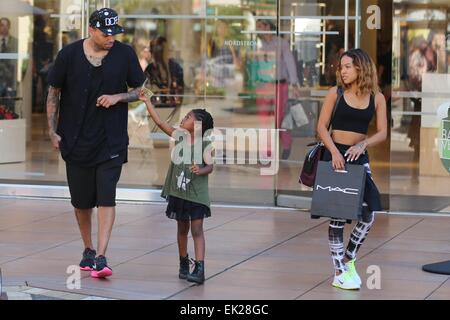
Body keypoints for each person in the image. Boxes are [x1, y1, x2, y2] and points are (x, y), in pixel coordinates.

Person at [46, 8, 145, 278]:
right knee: (81, 202)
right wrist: (52, 131)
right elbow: (54, 92)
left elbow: (140, 90)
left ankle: (101, 256)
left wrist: (118, 97)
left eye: (115, 33)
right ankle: (88, 250)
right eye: (105, 33)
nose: (111, 38)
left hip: (110, 141)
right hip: (75, 140)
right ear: (91, 30)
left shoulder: (124, 54)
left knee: (106, 198)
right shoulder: (69, 54)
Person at [316, 48, 387, 290]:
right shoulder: (335, 93)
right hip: (335, 158)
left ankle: (348, 259)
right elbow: (322, 127)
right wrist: (335, 152)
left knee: (369, 214)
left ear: (361, 68)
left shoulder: (377, 97)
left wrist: (364, 143)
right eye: (341, 67)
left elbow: (383, 132)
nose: (342, 71)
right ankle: (338, 272)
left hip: (359, 158)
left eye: (347, 66)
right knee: (338, 218)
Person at [139, 88, 214, 285]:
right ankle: (183, 263)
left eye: (188, 117)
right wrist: (147, 102)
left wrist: (201, 169)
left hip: (197, 195)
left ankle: (199, 268)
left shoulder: (205, 145)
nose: (184, 118)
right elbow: (160, 123)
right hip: (180, 193)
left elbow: (211, 166)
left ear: (197, 125)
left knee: (197, 230)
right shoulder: (180, 137)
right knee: (182, 228)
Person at [255, 19, 301, 160]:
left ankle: (286, 144)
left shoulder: (281, 43)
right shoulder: (258, 44)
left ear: (268, 26)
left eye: (260, 26)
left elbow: (289, 63)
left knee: (280, 117)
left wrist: (294, 84)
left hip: (280, 85)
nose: (257, 30)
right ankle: (267, 151)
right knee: (264, 118)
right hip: (263, 86)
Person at [0, 17, 18, 111]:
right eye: (2, 25)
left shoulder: (15, 42)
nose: (4, 27)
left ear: (9, 27)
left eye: (7, 25)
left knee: (10, 108)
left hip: (10, 81)